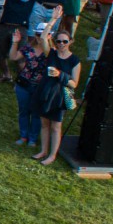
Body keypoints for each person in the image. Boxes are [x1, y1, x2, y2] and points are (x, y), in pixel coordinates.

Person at [32, 23, 81, 166]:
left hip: (59, 96)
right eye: (58, 41)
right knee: (44, 124)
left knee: (56, 126)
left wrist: (60, 75)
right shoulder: (52, 54)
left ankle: (52, 155)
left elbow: (74, 83)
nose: (61, 44)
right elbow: (42, 39)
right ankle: (43, 151)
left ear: (70, 42)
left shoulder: (74, 61)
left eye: (65, 41)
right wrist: (53, 20)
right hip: (46, 92)